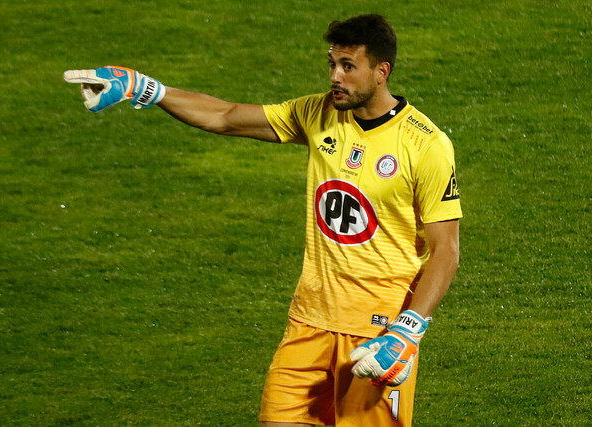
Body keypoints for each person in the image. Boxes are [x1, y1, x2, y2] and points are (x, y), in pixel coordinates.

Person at [64, 14, 461, 427]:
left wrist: (407, 331)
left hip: (376, 334)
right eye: (332, 64)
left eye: (348, 66)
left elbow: (446, 251)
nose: (335, 77)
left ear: (382, 72)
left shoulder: (425, 145)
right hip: (309, 321)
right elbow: (225, 116)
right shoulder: (318, 113)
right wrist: (146, 89)